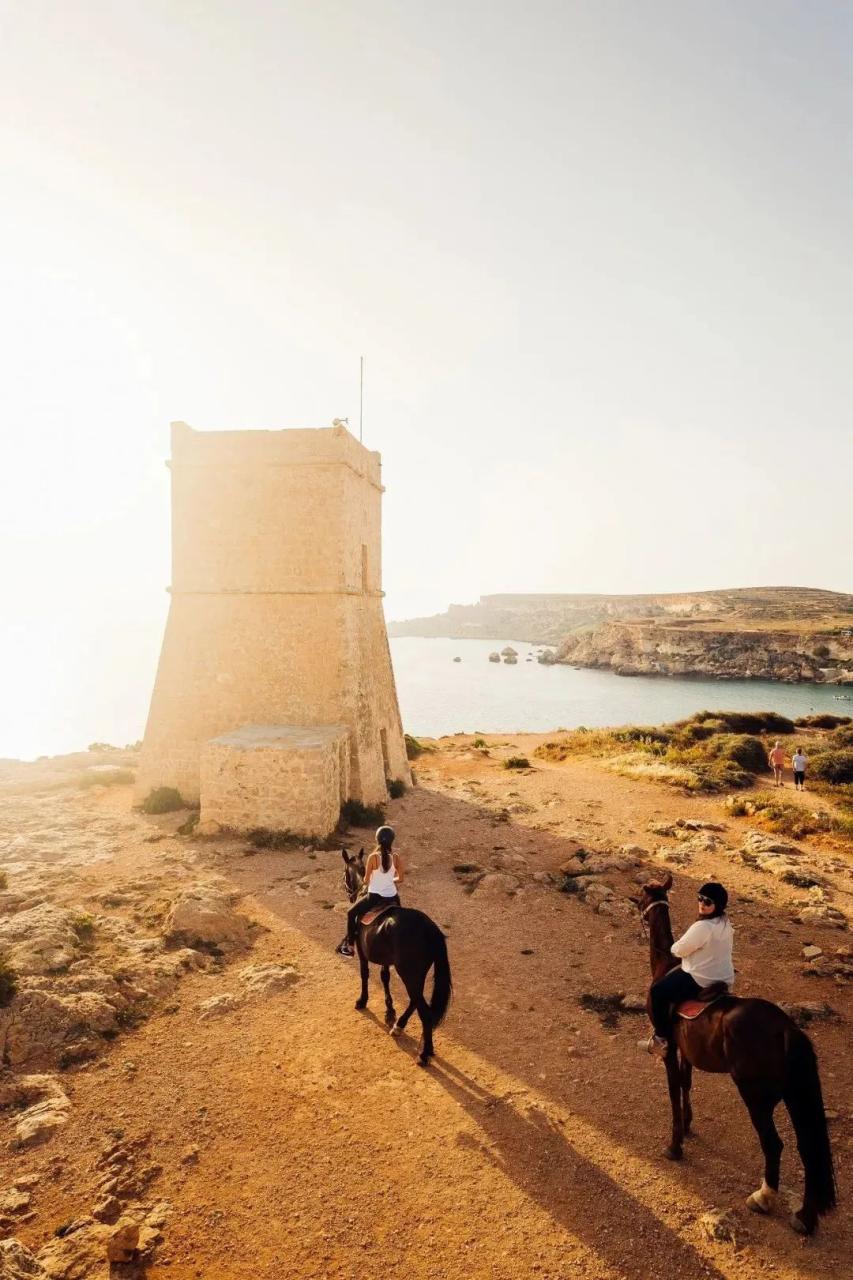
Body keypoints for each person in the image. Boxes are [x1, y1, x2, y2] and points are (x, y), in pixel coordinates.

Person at [643, 881, 734, 1058]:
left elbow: (677, 950)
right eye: (700, 898)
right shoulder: (725, 923)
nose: (702, 904)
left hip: (701, 977)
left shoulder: (702, 927)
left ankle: (661, 1038)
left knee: (657, 991)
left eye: (707, 902)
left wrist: (681, 946)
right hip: (724, 977)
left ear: (717, 906)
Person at [338, 826, 404, 958]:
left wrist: (376, 878)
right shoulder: (396, 857)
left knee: (351, 913)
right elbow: (400, 878)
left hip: (375, 897)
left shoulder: (373, 857)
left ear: (377, 840)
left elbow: (367, 880)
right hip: (392, 897)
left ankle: (350, 946)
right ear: (392, 841)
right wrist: (390, 879)